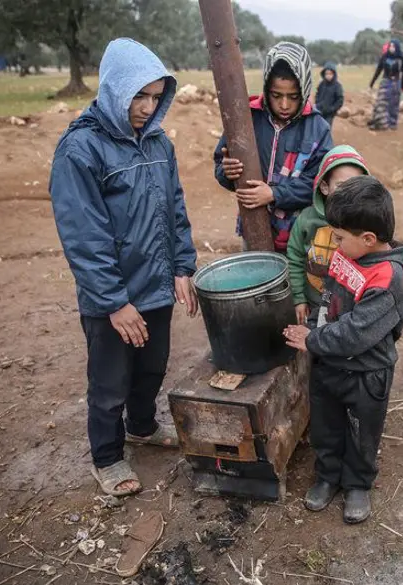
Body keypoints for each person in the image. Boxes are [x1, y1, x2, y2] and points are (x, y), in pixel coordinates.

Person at [49, 38, 198, 497]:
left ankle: (143, 426)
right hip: (112, 299)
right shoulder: (81, 150)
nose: (147, 107)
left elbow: (174, 209)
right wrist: (115, 302)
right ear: (114, 89)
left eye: (156, 97)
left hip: (156, 285)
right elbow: (84, 238)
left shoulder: (158, 142)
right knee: (110, 382)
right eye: (138, 95)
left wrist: (182, 267)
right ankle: (108, 457)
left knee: (152, 367)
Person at [283, 176, 403, 524]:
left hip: (366, 374)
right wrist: (316, 332)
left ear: (368, 239)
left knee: (361, 431)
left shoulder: (386, 279)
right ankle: (327, 475)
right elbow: (329, 301)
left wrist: (311, 340)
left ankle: (357, 483)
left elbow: (356, 333)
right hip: (329, 364)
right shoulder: (347, 254)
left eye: (339, 236)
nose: (333, 243)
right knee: (326, 426)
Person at [214, 42, 333, 253]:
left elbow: (319, 183)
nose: (284, 105)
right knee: (257, 281)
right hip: (254, 230)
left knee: (294, 284)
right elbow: (220, 165)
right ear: (266, 89)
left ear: (304, 89)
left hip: (299, 238)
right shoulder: (246, 119)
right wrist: (227, 172)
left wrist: (275, 194)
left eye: (293, 97)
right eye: (276, 96)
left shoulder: (317, 128)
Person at [287, 145, 370, 325]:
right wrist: (299, 299)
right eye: (341, 186)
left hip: (351, 311)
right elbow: (294, 259)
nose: (349, 193)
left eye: (355, 186)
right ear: (324, 187)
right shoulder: (307, 221)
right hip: (313, 304)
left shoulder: (366, 223)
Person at [368, 40, 403, 131]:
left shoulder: (401, 59)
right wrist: (372, 82)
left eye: (393, 46)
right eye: (390, 46)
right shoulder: (384, 57)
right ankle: (379, 122)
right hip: (386, 82)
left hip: (396, 82)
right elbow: (378, 70)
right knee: (380, 102)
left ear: (397, 47)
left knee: (394, 103)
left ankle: (392, 123)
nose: (391, 48)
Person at [315, 62, 344, 130]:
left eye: (330, 74)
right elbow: (317, 94)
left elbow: (340, 100)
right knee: (317, 128)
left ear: (334, 74)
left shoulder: (337, 86)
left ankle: (326, 140)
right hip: (319, 111)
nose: (328, 76)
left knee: (326, 129)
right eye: (326, 74)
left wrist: (333, 109)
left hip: (329, 113)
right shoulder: (322, 84)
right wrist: (317, 103)